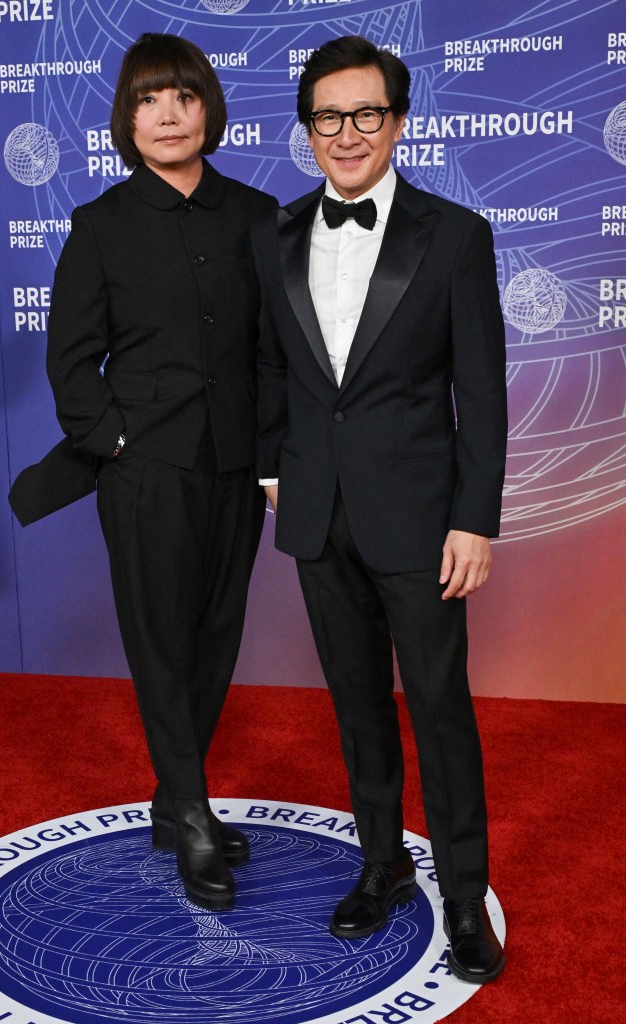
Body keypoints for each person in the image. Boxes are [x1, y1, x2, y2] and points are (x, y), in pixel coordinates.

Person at [254, 36, 507, 982]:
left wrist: (474, 517)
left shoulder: (454, 234)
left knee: (439, 710)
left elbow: (480, 390)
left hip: (421, 518)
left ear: (397, 123)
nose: (347, 134)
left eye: (366, 114)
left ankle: (462, 896)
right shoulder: (271, 236)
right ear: (307, 130)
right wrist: (272, 475)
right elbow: (270, 370)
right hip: (317, 517)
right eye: (328, 117)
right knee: (357, 708)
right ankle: (381, 868)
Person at [45, 33, 277, 912]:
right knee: (159, 643)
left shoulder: (260, 217)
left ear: (208, 108)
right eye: (148, 99)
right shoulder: (99, 225)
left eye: (182, 95)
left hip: (237, 469)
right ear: (127, 119)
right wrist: (116, 444)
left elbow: (275, 352)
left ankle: (172, 794)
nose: (168, 113)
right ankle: (189, 818)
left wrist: (272, 451)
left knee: (214, 637)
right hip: (145, 473)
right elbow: (71, 362)